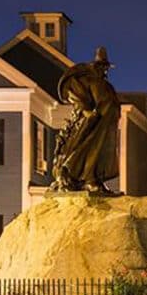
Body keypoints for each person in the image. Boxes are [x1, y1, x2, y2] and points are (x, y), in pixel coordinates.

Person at [51, 46, 121, 194]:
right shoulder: (85, 80)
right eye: (102, 66)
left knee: (102, 152)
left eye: (106, 68)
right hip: (94, 123)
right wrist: (88, 112)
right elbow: (78, 98)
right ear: (96, 66)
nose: (105, 70)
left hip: (106, 123)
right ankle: (87, 178)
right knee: (89, 149)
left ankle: (95, 179)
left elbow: (109, 102)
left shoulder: (104, 84)